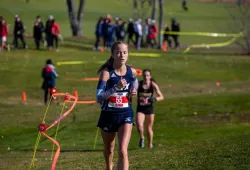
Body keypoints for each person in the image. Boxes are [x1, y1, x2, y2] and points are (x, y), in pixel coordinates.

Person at [96, 41, 138, 170]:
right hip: (108, 115)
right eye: (118, 52)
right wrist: (115, 88)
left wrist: (134, 89)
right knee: (109, 150)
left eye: (125, 52)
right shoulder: (107, 73)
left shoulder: (132, 71)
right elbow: (99, 97)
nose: (122, 55)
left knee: (122, 150)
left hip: (126, 114)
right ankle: (109, 166)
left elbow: (135, 81)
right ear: (113, 54)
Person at [136, 69, 164, 149]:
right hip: (140, 108)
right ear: (142, 76)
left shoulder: (153, 85)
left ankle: (150, 145)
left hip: (149, 108)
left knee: (149, 128)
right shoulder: (139, 84)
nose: (146, 77)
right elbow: (132, 92)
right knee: (139, 126)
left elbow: (161, 96)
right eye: (144, 75)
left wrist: (154, 99)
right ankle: (142, 138)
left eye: (147, 75)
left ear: (150, 76)